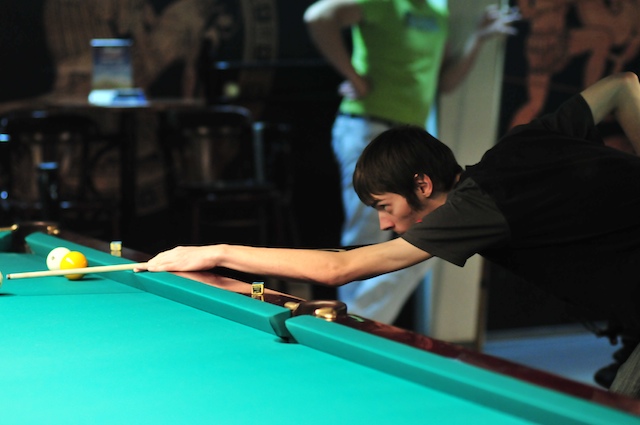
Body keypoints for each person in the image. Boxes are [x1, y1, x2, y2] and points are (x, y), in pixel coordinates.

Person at [145, 72, 640, 398]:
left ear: (422, 184)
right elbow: (623, 86)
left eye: (385, 207)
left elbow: (341, 268)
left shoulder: (475, 206)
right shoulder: (520, 143)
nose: (384, 223)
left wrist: (213, 251)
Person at [301, 0, 520, 323]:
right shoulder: (383, 3)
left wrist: (477, 37)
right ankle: (353, 325)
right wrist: (354, 77)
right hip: (369, 129)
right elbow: (317, 16)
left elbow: (444, 82)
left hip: (409, 140)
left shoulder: (437, 11)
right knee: (367, 236)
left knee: (436, 235)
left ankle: (355, 321)